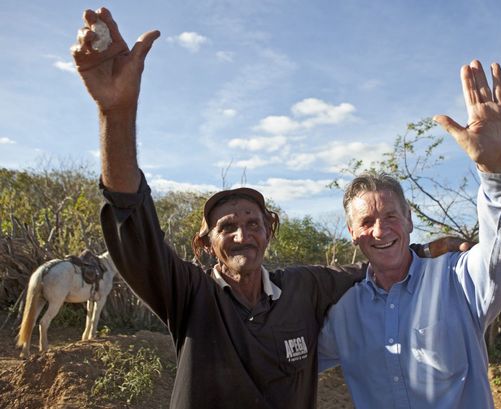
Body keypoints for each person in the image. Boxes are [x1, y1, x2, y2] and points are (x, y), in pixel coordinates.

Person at [70, 8, 466, 409]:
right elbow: (132, 220)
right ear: (205, 244)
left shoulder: (303, 288)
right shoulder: (191, 295)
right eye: (227, 227)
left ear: (268, 232)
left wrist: (425, 250)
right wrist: (115, 113)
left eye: (252, 223)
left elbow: (373, 263)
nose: (242, 235)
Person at [318, 60, 501, 409]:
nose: (380, 230)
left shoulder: (458, 278)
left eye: (391, 216)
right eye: (367, 222)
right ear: (352, 233)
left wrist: (499, 174)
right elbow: (287, 360)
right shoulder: (344, 313)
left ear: (409, 220)